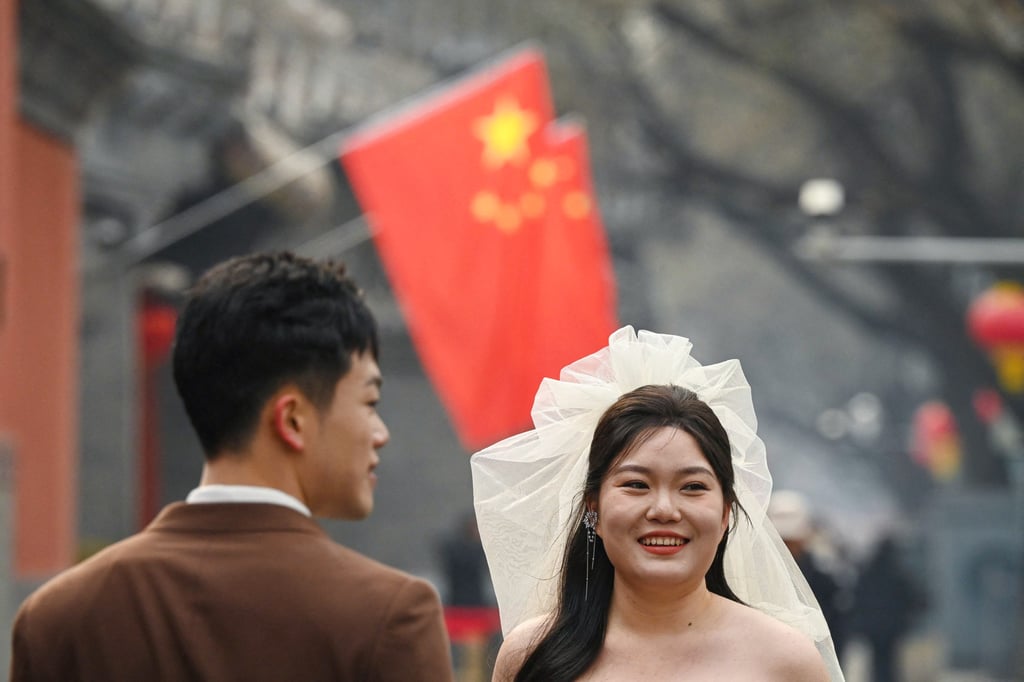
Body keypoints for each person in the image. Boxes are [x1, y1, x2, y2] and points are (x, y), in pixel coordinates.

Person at [10, 252, 454, 681]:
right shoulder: (388, 617)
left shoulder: (58, 616)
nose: (381, 433)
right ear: (292, 419)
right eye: (370, 402)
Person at [472, 326, 844, 681]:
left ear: (727, 512)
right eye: (636, 484)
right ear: (593, 509)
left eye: (692, 486)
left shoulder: (784, 662)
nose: (664, 509)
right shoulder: (533, 656)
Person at [768, 490, 850, 660]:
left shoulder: (824, 574)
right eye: (783, 542)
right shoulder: (758, 574)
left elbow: (835, 625)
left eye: (792, 542)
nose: (788, 549)